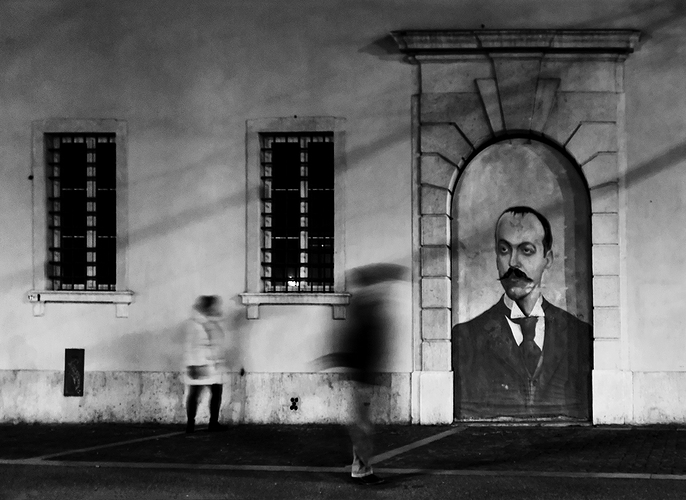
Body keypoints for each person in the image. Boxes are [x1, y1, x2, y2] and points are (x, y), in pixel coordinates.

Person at [452, 206, 591, 420]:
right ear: (496, 257)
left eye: (526, 250)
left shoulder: (579, 335)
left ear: (548, 259)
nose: (513, 263)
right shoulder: (466, 338)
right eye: (504, 250)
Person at [312, 263, 407, 486]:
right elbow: (359, 348)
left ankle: (363, 469)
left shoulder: (366, 312)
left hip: (364, 378)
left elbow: (364, 348)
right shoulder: (366, 314)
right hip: (362, 379)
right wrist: (337, 362)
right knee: (363, 428)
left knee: (364, 427)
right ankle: (361, 471)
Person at [183, 295, 229, 433]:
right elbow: (193, 345)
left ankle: (193, 424)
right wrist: (196, 363)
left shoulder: (202, 322)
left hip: (206, 364)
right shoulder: (199, 323)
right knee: (204, 393)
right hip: (203, 364)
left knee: (201, 393)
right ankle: (205, 423)